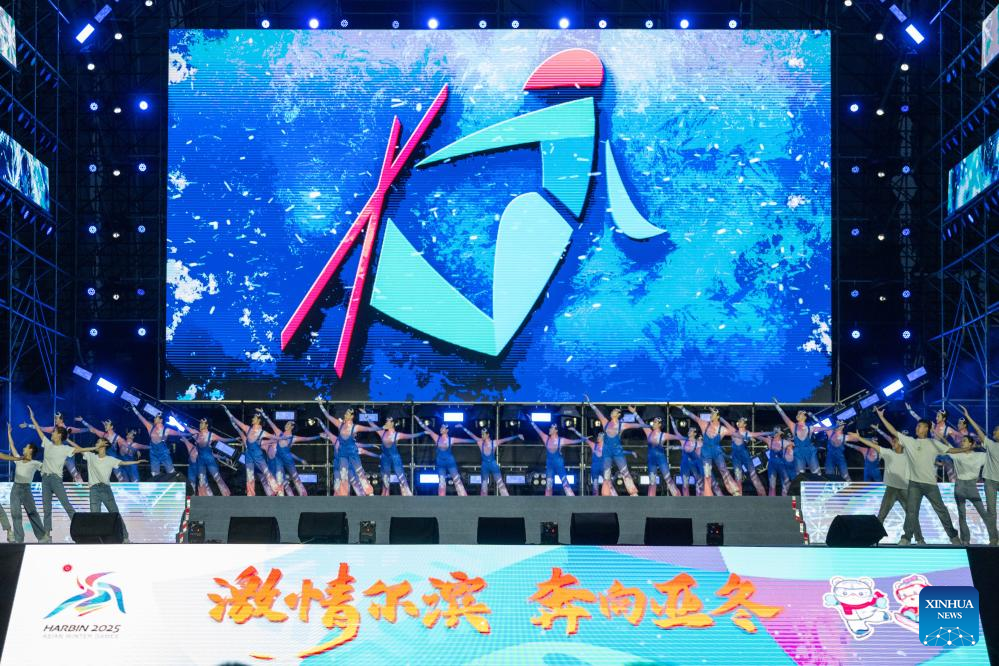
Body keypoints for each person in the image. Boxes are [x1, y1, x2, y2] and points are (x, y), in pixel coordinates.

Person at [875, 406, 960, 545]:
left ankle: (953, 536)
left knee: (941, 510)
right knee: (911, 511)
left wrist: (965, 449)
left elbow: (950, 450)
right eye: (917, 426)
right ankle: (906, 538)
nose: (917, 428)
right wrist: (881, 417)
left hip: (930, 484)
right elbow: (893, 431)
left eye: (919, 426)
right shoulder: (910, 441)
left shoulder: (933, 443)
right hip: (914, 484)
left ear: (926, 429)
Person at [850, 432, 924, 544]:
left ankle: (920, 539)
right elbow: (873, 445)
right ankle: (873, 540)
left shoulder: (908, 456)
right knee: (881, 515)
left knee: (912, 515)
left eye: (895, 441)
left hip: (904, 489)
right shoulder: (888, 452)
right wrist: (859, 437)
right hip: (891, 489)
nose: (893, 443)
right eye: (892, 441)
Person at [28, 406, 85, 543]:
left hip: (57, 474)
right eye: (55, 417)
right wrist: (32, 419)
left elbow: (80, 437)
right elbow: (40, 429)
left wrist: (94, 444)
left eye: (57, 417)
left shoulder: (66, 434)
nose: (55, 418)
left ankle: (81, 530)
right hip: (46, 478)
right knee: (46, 509)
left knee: (67, 504)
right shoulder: (48, 441)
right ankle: (47, 535)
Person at [82, 438, 141, 543]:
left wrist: (137, 461)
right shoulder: (91, 456)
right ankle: (96, 540)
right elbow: (79, 449)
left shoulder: (110, 459)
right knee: (94, 516)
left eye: (98, 442)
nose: (96, 443)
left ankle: (125, 537)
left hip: (106, 489)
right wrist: (67, 439)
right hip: (94, 490)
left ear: (104, 444)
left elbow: (123, 463)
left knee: (115, 514)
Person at [583, 397, 639, 496]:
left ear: (618, 414)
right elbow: (598, 413)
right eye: (612, 411)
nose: (612, 412)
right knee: (606, 477)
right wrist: (590, 403)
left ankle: (633, 493)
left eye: (614, 411)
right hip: (605, 459)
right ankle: (605, 495)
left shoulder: (622, 425)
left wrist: (636, 414)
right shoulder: (605, 423)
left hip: (617, 453)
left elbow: (638, 426)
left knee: (625, 473)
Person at [679, 406, 741, 496]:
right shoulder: (704, 424)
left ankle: (735, 491)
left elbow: (735, 433)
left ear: (718, 416)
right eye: (711, 413)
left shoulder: (722, 429)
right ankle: (708, 494)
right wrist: (683, 409)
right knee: (707, 473)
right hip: (706, 452)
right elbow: (694, 417)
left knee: (724, 470)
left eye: (713, 414)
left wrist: (747, 437)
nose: (710, 415)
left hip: (716, 451)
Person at [960, 405, 999, 546]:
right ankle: (994, 538)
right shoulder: (990, 444)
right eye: (994, 430)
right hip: (990, 482)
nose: (994, 431)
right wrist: (968, 416)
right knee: (991, 512)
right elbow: (978, 431)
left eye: (997, 430)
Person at [258, 411, 323, 496]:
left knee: (295, 477)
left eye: (288, 424)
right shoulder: (279, 433)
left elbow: (307, 439)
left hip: (287, 458)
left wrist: (319, 436)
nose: (286, 425)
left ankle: (303, 495)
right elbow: (271, 424)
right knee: (279, 478)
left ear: (292, 427)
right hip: (278, 459)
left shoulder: (293, 438)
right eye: (286, 423)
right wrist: (264, 414)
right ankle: (281, 497)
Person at [319, 403, 377, 496]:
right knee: (343, 475)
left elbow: (372, 429)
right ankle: (343, 494)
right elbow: (328, 417)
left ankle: (369, 492)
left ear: (352, 416)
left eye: (347, 414)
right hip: (343, 455)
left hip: (352, 454)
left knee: (360, 473)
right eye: (345, 414)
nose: (345, 415)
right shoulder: (340, 426)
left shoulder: (355, 428)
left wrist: (365, 415)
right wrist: (320, 404)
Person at [944, 435, 993, 546]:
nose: (962, 442)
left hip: (972, 486)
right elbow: (947, 445)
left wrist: (981, 445)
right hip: (959, 486)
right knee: (962, 515)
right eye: (961, 441)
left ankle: (994, 537)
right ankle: (965, 540)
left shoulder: (980, 456)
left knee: (983, 513)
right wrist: (935, 432)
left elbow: (993, 454)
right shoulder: (957, 454)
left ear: (971, 443)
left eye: (964, 441)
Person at [222, 405, 280, 496]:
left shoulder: (262, 433)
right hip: (249, 456)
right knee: (250, 476)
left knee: (266, 474)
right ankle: (251, 494)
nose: (252, 418)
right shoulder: (247, 430)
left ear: (259, 420)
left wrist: (264, 415)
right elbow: (236, 423)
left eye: (254, 417)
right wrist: (227, 412)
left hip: (258, 457)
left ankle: (275, 490)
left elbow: (277, 438)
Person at [6, 424, 44, 543]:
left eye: (26, 447)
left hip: (26, 489)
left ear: (30, 450)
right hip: (16, 488)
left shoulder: (36, 463)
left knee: (32, 513)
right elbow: (12, 446)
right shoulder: (19, 459)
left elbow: (48, 468)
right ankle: (19, 539)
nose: (23, 448)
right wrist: (9, 433)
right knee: (16, 514)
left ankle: (42, 537)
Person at [458, 425, 522, 496]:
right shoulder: (480, 442)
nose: (482, 435)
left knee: (500, 482)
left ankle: (506, 498)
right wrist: (463, 427)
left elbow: (505, 439)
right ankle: (484, 499)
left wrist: (517, 436)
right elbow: (471, 434)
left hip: (493, 464)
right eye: (481, 434)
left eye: (483, 434)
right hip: (484, 465)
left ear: (488, 435)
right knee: (484, 484)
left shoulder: (494, 443)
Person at [19, 413, 84, 482]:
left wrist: (87, 425)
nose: (55, 419)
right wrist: (28, 425)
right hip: (56, 455)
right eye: (55, 418)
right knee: (51, 471)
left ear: (61, 420)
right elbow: (41, 428)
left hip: (66, 455)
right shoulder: (53, 429)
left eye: (56, 418)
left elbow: (81, 430)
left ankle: (81, 485)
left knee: (74, 473)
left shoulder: (68, 429)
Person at [415, 418, 473, 496]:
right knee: (441, 482)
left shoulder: (451, 440)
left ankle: (463, 497)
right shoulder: (436, 437)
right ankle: (441, 498)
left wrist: (477, 441)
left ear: (447, 430)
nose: (441, 429)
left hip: (450, 462)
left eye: (443, 428)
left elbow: (465, 441)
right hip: (440, 463)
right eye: (441, 427)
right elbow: (425, 427)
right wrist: (417, 418)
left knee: (457, 480)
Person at [527, 420, 582, 497]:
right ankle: (548, 501)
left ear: (556, 430)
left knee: (565, 484)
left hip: (559, 464)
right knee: (549, 485)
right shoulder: (546, 438)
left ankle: (572, 500)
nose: (549, 429)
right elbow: (538, 430)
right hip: (550, 465)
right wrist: (532, 422)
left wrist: (576, 432)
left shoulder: (561, 440)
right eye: (550, 428)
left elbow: (576, 441)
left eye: (551, 428)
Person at [77, 418, 141, 482]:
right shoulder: (104, 435)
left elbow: (127, 445)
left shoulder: (117, 437)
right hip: (105, 461)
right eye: (105, 424)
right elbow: (93, 429)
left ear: (111, 427)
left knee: (122, 479)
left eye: (107, 424)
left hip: (113, 461)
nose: (105, 426)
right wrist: (82, 421)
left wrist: (136, 450)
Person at [906, 403, 957, 482]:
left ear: (944, 418)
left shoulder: (948, 429)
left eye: (938, 416)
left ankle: (954, 484)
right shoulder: (932, 425)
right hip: (933, 452)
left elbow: (958, 437)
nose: (936, 418)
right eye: (936, 416)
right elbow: (919, 419)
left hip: (942, 452)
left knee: (950, 466)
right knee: (932, 471)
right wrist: (910, 410)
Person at [633, 414, 681, 496]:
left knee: (668, 479)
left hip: (661, 459)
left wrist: (690, 441)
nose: (653, 423)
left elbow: (678, 437)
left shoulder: (663, 435)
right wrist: (635, 413)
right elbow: (641, 423)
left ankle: (678, 496)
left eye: (655, 422)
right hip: (651, 460)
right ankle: (651, 499)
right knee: (652, 481)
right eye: (653, 422)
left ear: (660, 424)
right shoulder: (649, 432)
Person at [720, 416, 767, 495]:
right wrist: (719, 416)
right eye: (739, 421)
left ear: (744, 424)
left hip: (745, 456)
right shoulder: (733, 431)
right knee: (738, 477)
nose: (739, 422)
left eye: (741, 421)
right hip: (736, 457)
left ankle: (763, 494)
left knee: (753, 475)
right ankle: (739, 496)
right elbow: (725, 422)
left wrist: (771, 432)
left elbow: (759, 434)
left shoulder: (746, 433)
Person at [131, 405, 183, 477]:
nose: (154, 418)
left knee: (171, 473)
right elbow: (141, 418)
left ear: (161, 420)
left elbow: (181, 432)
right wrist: (134, 409)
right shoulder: (150, 427)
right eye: (155, 417)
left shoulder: (167, 430)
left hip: (164, 453)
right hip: (153, 453)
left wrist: (176, 419)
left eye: (156, 417)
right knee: (154, 475)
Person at [773, 398, 821, 475]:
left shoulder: (810, 427)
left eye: (801, 413)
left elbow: (826, 428)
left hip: (810, 451)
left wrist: (814, 417)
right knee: (800, 475)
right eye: (798, 413)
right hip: (799, 453)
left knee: (817, 474)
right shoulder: (793, 426)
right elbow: (784, 416)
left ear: (805, 417)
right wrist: (777, 406)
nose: (799, 414)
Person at [374, 417, 420, 496]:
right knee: (385, 476)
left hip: (394, 456)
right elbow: (373, 427)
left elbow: (411, 436)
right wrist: (366, 416)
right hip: (385, 457)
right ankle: (385, 493)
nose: (386, 423)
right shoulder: (382, 432)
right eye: (386, 421)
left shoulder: (397, 434)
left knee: (400, 474)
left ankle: (406, 492)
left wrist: (423, 433)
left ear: (392, 424)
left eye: (388, 422)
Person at [191, 419, 235, 496]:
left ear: (206, 425)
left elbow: (223, 439)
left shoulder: (211, 435)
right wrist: (178, 421)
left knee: (217, 478)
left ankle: (227, 495)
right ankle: (206, 497)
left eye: (202, 423)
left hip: (209, 460)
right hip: (200, 460)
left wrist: (234, 439)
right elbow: (187, 429)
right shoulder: (197, 435)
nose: (200, 424)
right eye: (200, 423)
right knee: (202, 480)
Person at [570, 428, 617, 496]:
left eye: (599, 436)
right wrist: (575, 431)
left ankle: (616, 498)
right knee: (595, 485)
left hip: (603, 467)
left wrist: (630, 452)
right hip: (595, 468)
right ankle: (595, 500)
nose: (598, 438)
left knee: (609, 484)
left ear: (603, 438)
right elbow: (584, 438)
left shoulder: (607, 447)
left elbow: (618, 452)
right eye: (598, 436)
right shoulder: (593, 445)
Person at [758, 428, 791, 496]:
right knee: (772, 484)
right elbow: (758, 436)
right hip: (772, 465)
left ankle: (785, 498)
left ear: (780, 433)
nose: (774, 433)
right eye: (774, 431)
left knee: (786, 482)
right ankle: (771, 500)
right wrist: (749, 434)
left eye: (776, 431)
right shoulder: (770, 441)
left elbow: (795, 445)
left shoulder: (784, 442)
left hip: (781, 464)